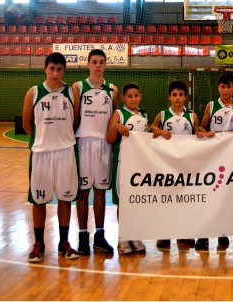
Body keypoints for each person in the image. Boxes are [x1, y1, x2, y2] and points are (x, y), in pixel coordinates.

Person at [22, 52, 81, 263]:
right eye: (52, 68)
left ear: (64, 70)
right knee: (39, 200)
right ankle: (39, 243)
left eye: (59, 69)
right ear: (45, 69)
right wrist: (42, 140)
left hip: (65, 151)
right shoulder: (34, 92)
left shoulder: (72, 92)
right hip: (41, 154)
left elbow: (75, 122)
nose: (55, 73)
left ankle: (63, 242)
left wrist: (60, 138)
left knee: (65, 198)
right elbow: (27, 123)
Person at [194, 73, 233, 251]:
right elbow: (202, 127)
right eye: (222, 86)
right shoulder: (211, 105)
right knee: (209, 196)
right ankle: (203, 236)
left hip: (231, 158)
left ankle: (223, 235)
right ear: (219, 88)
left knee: (225, 198)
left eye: (228, 86)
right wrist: (205, 132)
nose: (225, 89)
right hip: (213, 157)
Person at [73, 49, 118, 256]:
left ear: (105, 65)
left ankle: (99, 237)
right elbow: (73, 119)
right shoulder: (78, 87)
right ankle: (83, 237)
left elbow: (116, 118)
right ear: (88, 64)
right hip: (83, 143)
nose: (98, 65)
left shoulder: (112, 90)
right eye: (94, 62)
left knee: (100, 192)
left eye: (101, 62)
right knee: (83, 192)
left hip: (103, 145)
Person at [150, 80, 199, 249]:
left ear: (185, 97)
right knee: (167, 200)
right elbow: (151, 129)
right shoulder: (162, 115)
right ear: (170, 97)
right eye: (174, 95)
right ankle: (164, 234)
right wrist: (157, 130)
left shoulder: (192, 116)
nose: (177, 98)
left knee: (185, 200)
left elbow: (197, 135)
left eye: (181, 95)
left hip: (185, 165)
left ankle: (184, 233)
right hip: (166, 165)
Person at [106, 82, 149, 255]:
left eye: (136, 95)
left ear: (140, 96)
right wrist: (116, 127)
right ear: (124, 98)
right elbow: (109, 139)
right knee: (123, 202)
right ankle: (123, 238)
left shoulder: (144, 115)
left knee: (137, 200)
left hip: (139, 165)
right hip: (123, 163)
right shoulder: (119, 114)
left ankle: (135, 235)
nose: (133, 99)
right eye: (129, 96)